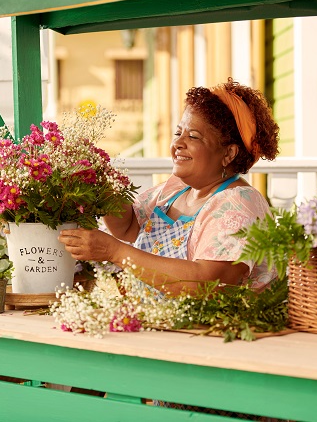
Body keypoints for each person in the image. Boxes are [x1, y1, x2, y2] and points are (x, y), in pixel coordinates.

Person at [58, 78, 280, 296]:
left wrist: (114, 252)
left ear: (228, 153)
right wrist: (97, 179)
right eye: (178, 133)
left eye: (193, 136)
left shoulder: (238, 203)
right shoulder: (176, 190)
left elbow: (208, 284)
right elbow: (128, 226)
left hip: (216, 331)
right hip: (165, 327)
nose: (177, 144)